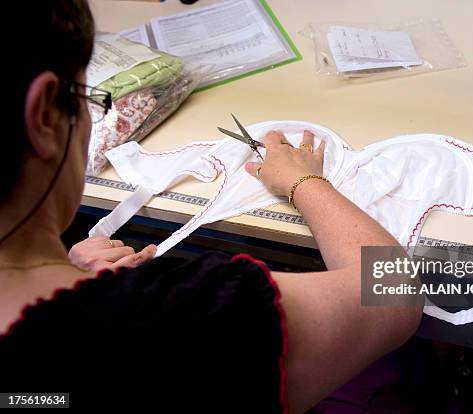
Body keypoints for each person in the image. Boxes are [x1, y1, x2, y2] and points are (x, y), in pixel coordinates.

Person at [0, 1, 422, 411]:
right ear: (45, 117)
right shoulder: (181, 321)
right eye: (88, 95)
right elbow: (394, 292)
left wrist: (66, 278)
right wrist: (304, 181)